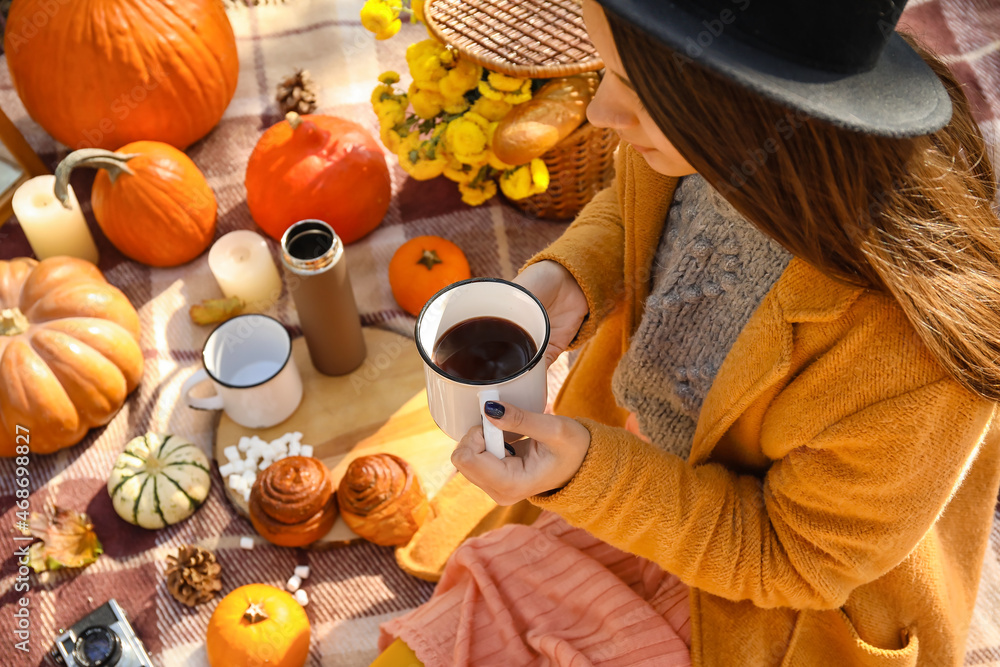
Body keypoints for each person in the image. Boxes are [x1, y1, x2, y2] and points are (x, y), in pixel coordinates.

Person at [373, 0, 1000, 664]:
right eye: (608, 74)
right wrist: (569, 278)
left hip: (761, 606)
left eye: (634, 87)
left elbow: (784, 559)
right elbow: (631, 203)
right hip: (629, 479)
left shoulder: (914, 357)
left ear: (743, 103)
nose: (598, 115)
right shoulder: (705, 139)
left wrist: (587, 470)